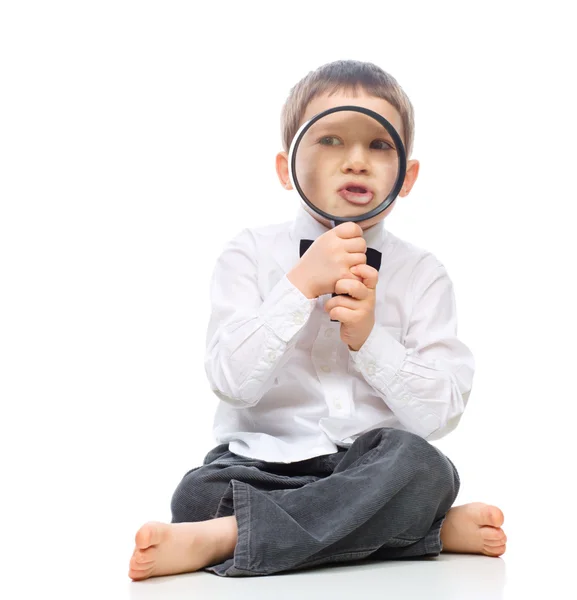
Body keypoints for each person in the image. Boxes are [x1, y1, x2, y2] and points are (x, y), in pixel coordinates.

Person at [128, 59, 507, 581]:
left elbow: (439, 416)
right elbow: (231, 384)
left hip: (370, 464)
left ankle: (230, 537)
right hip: (260, 465)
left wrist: (371, 341)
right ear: (287, 169)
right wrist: (298, 286)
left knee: (423, 467)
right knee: (196, 496)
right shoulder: (247, 254)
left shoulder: (424, 274)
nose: (356, 161)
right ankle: (425, 530)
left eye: (379, 145)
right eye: (330, 140)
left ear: (408, 176)